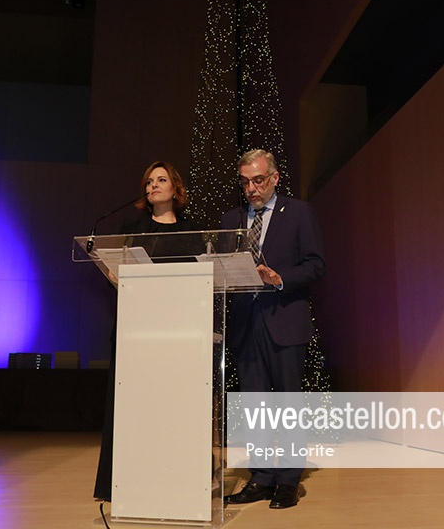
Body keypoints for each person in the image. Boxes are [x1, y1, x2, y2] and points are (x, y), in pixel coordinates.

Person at [220, 149, 325, 509]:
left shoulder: (298, 212)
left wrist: (281, 278)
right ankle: (262, 477)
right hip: (244, 324)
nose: (251, 188)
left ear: (275, 178)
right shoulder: (231, 219)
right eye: (245, 182)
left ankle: (288, 480)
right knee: (255, 406)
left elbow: (316, 264)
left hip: (285, 321)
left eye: (258, 180)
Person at [93, 160, 196, 502]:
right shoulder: (134, 226)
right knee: (130, 411)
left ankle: (171, 479)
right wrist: (112, 274)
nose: (153, 185)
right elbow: (119, 276)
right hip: (135, 331)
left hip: (175, 334)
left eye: (161, 180)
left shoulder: (191, 232)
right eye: (149, 181)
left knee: (169, 411)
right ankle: (122, 481)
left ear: (175, 188)